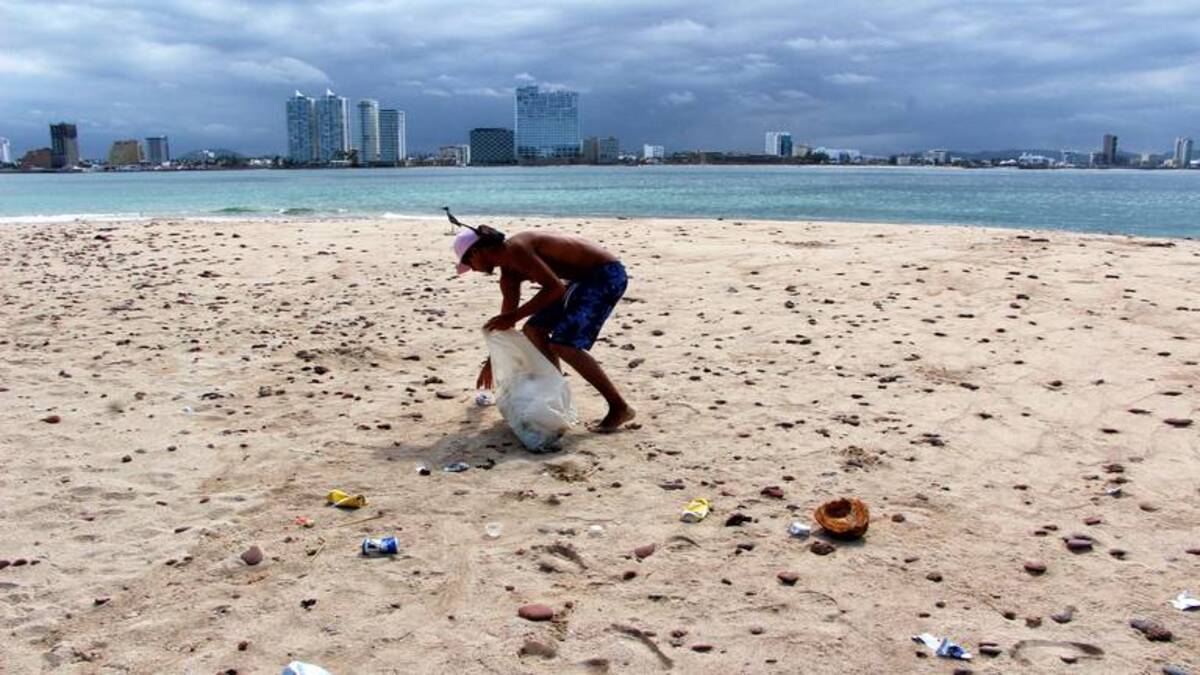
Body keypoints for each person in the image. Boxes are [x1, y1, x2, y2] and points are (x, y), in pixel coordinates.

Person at [452, 219, 635, 432]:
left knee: (564, 345)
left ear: (476, 252)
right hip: (581, 281)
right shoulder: (508, 273)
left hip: (605, 276)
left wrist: (514, 316)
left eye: (469, 264)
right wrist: (491, 360)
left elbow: (554, 288)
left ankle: (619, 407)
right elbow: (507, 319)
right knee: (533, 330)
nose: (473, 270)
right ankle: (556, 398)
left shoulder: (517, 249)